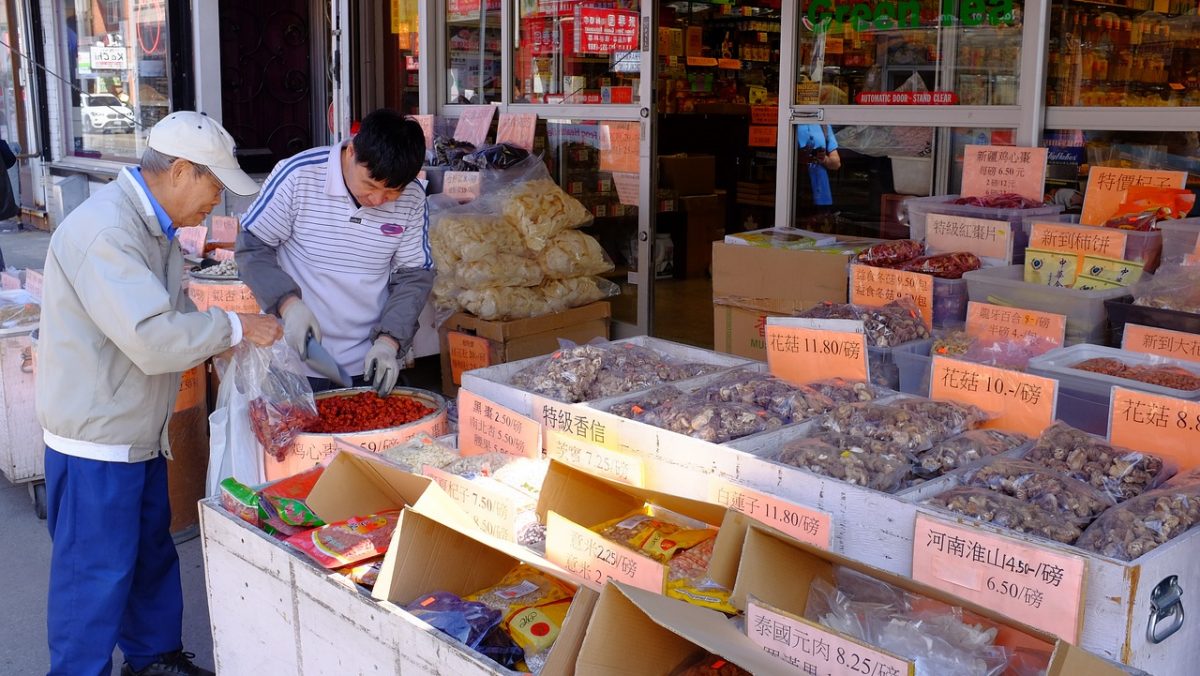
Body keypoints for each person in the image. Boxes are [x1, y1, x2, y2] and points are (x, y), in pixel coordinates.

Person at [35, 111, 283, 676]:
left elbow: (172, 312)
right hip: (97, 440)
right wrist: (235, 329)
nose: (215, 204)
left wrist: (215, 338)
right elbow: (151, 337)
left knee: (149, 556)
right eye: (213, 186)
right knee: (92, 581)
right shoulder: (107, 232)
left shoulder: (153, 229)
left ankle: (152, 660)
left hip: (138, 431)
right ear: (178, 171)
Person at [236, 108, 432, 394]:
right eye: (370, 185)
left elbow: (414, 277)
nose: (378, 200)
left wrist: (389, 342)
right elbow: (252, 247)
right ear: (351, 151)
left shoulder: (413, 196)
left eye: (392, 193)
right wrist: (288, 306)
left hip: (369, 362)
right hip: (295, 360)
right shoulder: (300, 176)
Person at [796, 123, 842, 212]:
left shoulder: (823, 125)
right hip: (794, 188)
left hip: (820, 192)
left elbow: (836, 163)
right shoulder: (790, 121)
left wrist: (823, 159)